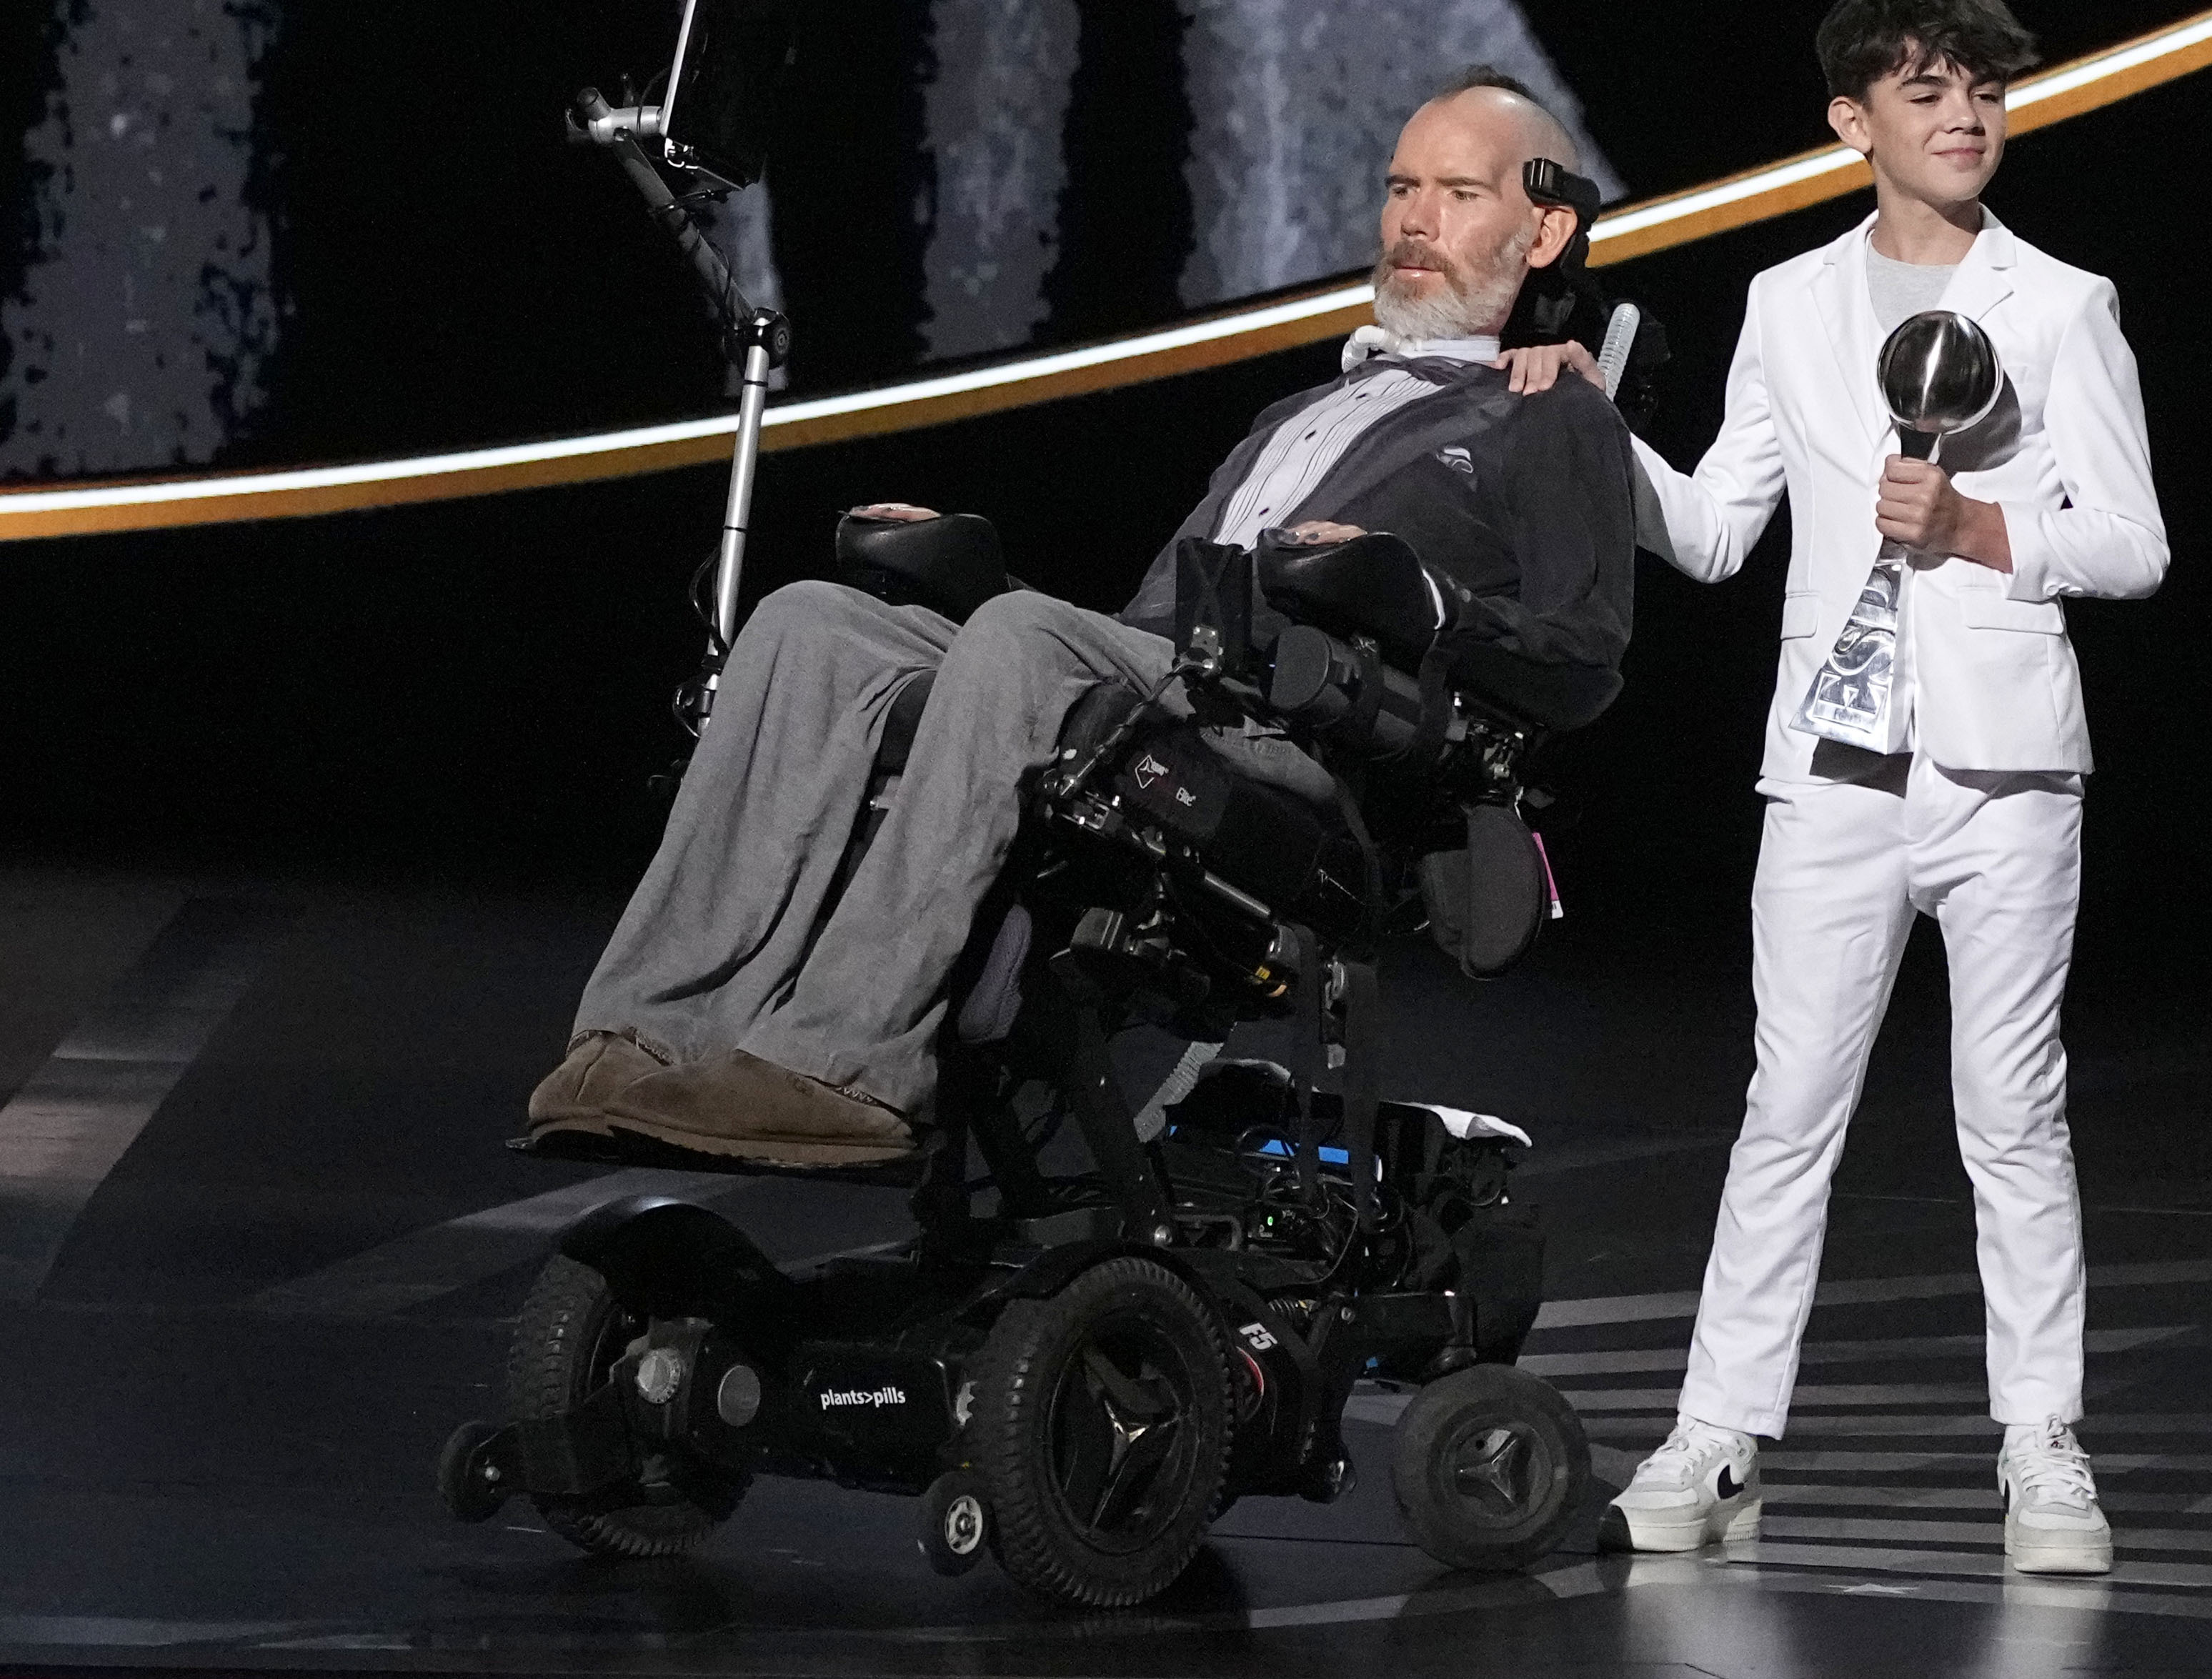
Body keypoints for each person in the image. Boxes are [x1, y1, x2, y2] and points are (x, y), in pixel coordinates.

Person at [524, 71, 1635, 1169]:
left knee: (1024, 645)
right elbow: (1132, 630)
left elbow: (1582, 661)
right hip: (1165, 678)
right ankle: (639, 1038)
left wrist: (1420, 598)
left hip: (1301, 745)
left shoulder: (1545, 412)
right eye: (1401, 187)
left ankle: (843, 1067)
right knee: (810, 623)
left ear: (1542, 232)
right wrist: (978, 586)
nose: (1413, 219)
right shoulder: (1297, 414)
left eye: (1457, 192)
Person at [1595, 0, 2168, 1574]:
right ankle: (1717, 1436)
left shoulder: (2061, 304)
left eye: (1983, 85)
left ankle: (2039, 1440)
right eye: (1927, 90)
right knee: (1786, 1107)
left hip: (2002, 771)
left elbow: (2133, 546)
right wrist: (1594, 436)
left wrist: (1982, 527)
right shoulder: (1787, 302)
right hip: (1833, 765)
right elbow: (1715, 532)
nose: (1965, 113)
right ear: (1854, 121)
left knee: (2012, 1110)